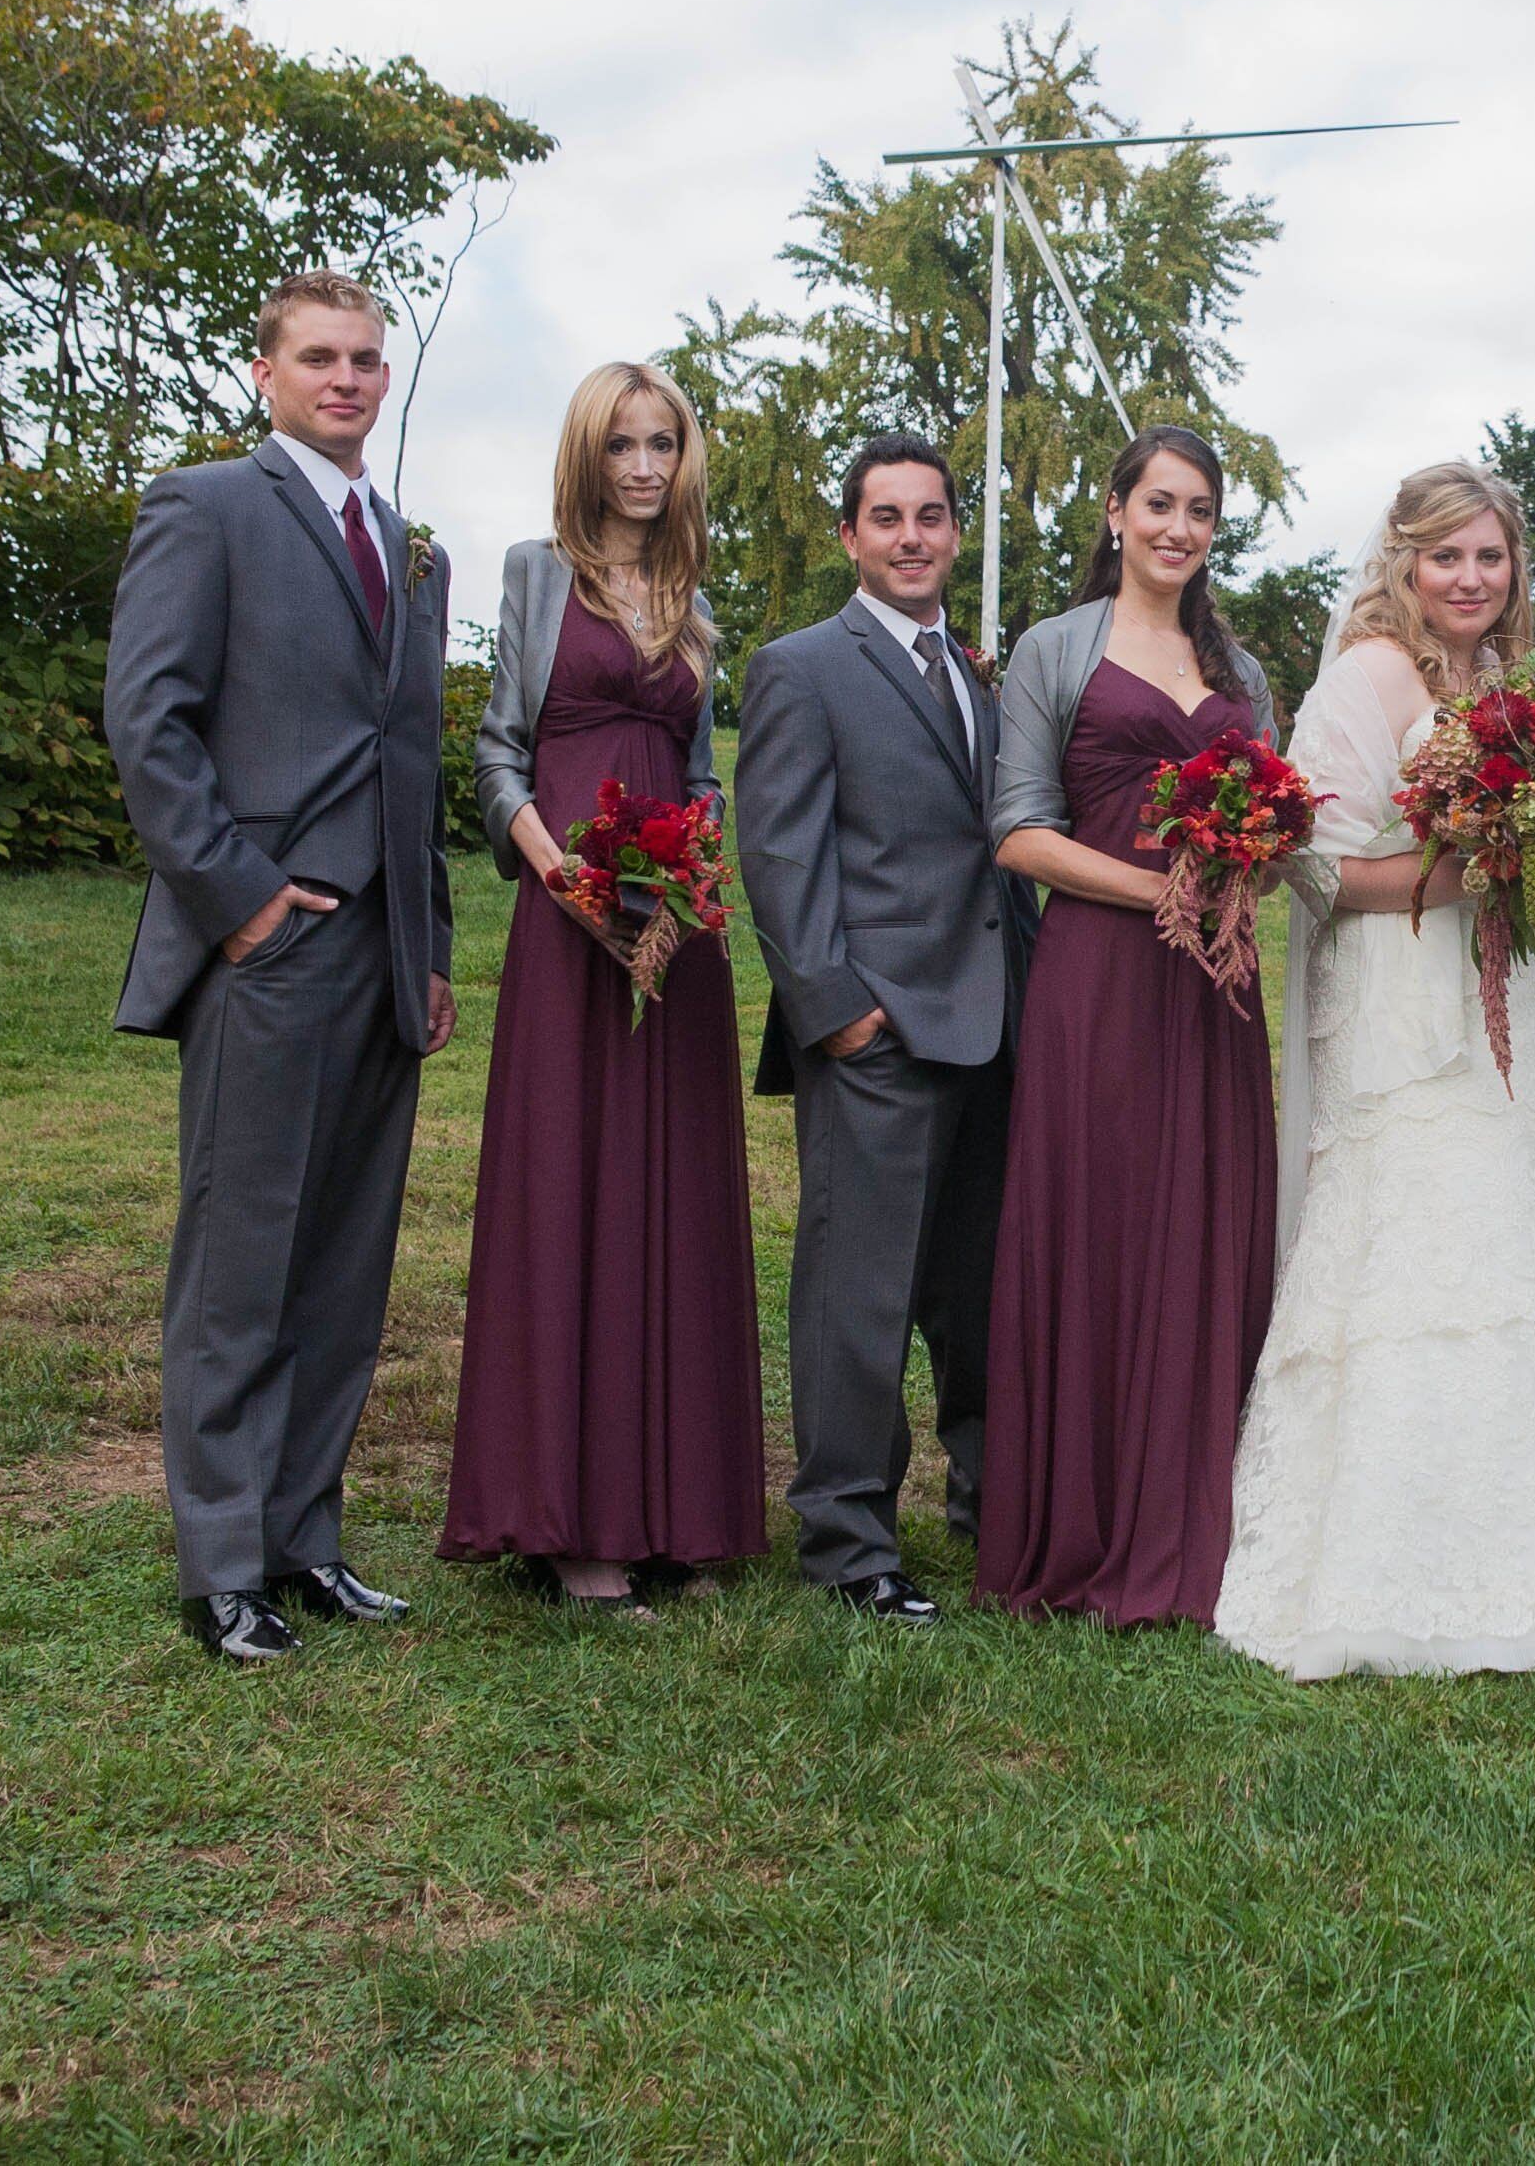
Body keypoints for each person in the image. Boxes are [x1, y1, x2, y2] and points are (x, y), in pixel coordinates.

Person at [1214, 464, 1535, 1679]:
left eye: (1490, 559)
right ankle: (1380, 1568)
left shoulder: (1511, 687)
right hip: (1406, 1005)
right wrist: (1472, 870)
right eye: (1447, 558)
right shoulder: (1366, 676)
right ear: (1403, 563)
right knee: (1413, 1254)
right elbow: (1317, 869)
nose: (1470, 580)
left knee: (1526, 1249)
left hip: (1518, 1005)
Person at [103, 270, 458, 1665]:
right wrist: (242, 903)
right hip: (270, 946)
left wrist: (423, 946)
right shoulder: (206, 509)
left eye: (367, 358)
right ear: (266, 373)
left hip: (381, 955)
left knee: (343, 1267)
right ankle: (224, 1568)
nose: (348, 379)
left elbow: (410, 758)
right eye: (319, 357)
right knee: (241, 1266)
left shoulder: (405, 541)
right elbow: (150, 725)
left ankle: (307, 1540)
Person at [440, 361, 764, 1611]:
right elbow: (495, 752)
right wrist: (560, 876)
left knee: (672, 1203)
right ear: (588, 453)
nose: (642, 465)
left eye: (663, 443)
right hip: (566, 924)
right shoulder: (536, 572)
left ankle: (672, 1511)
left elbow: (701, 773)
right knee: (568, 1196)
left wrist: (687, 892)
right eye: (622, 443)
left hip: (673, 937)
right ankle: (564, 1519)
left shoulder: (695, 610)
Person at [980, 425, 1283, 1629]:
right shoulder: (1055, 649)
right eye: (1158, 503)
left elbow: (1268, 816)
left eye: (1200, 510)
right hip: (1099, 974)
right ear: (1114, 513)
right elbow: (1015, 830)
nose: (1177, 528)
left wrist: (1241, 874)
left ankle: (1190, 1520)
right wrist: (1158, 887)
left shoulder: (1241, 668)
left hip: (1214, 985)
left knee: (1202, 1226)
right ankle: (1086, 1523)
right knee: (1098, 1223)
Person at [733, 434, 1022, 1623]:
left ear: (956, 533)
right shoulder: (801, 668)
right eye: (887, 517)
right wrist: (836, 1013)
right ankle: (848, 1541)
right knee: (857, 1295)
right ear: (849, 536)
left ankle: (989, 1504)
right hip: (877, 1030)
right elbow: (779, 852)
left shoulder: (975, 673)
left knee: (978, 1286)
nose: (912, 536)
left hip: (996, 1026)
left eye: (932, 516)